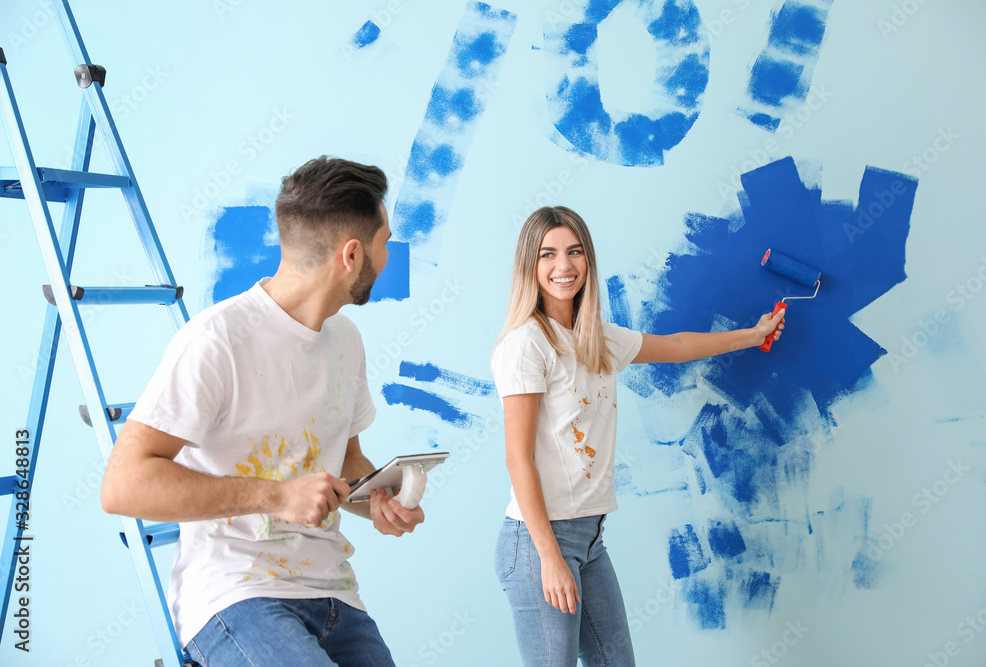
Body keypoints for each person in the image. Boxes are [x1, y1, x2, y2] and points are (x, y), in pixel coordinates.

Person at [101, 157, 423, 666]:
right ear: (352, 254)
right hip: (235, 594)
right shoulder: (216, 341)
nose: (389, 254)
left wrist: (375, 498)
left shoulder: (346, 339)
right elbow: (123, 486)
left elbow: (346, 458)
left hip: (333, 591)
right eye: (385, 241)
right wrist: (275, 495)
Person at [490, 206, 785, 666]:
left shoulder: (597, 339)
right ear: (530, 265)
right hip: (537, 542)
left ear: (588, 260)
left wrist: (753, 335)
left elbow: (679, 346)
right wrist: (549, 557)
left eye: (574, 252)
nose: (563, 266)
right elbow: (518, 459)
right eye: (548, 254)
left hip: (589, 539)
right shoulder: (526, 345)